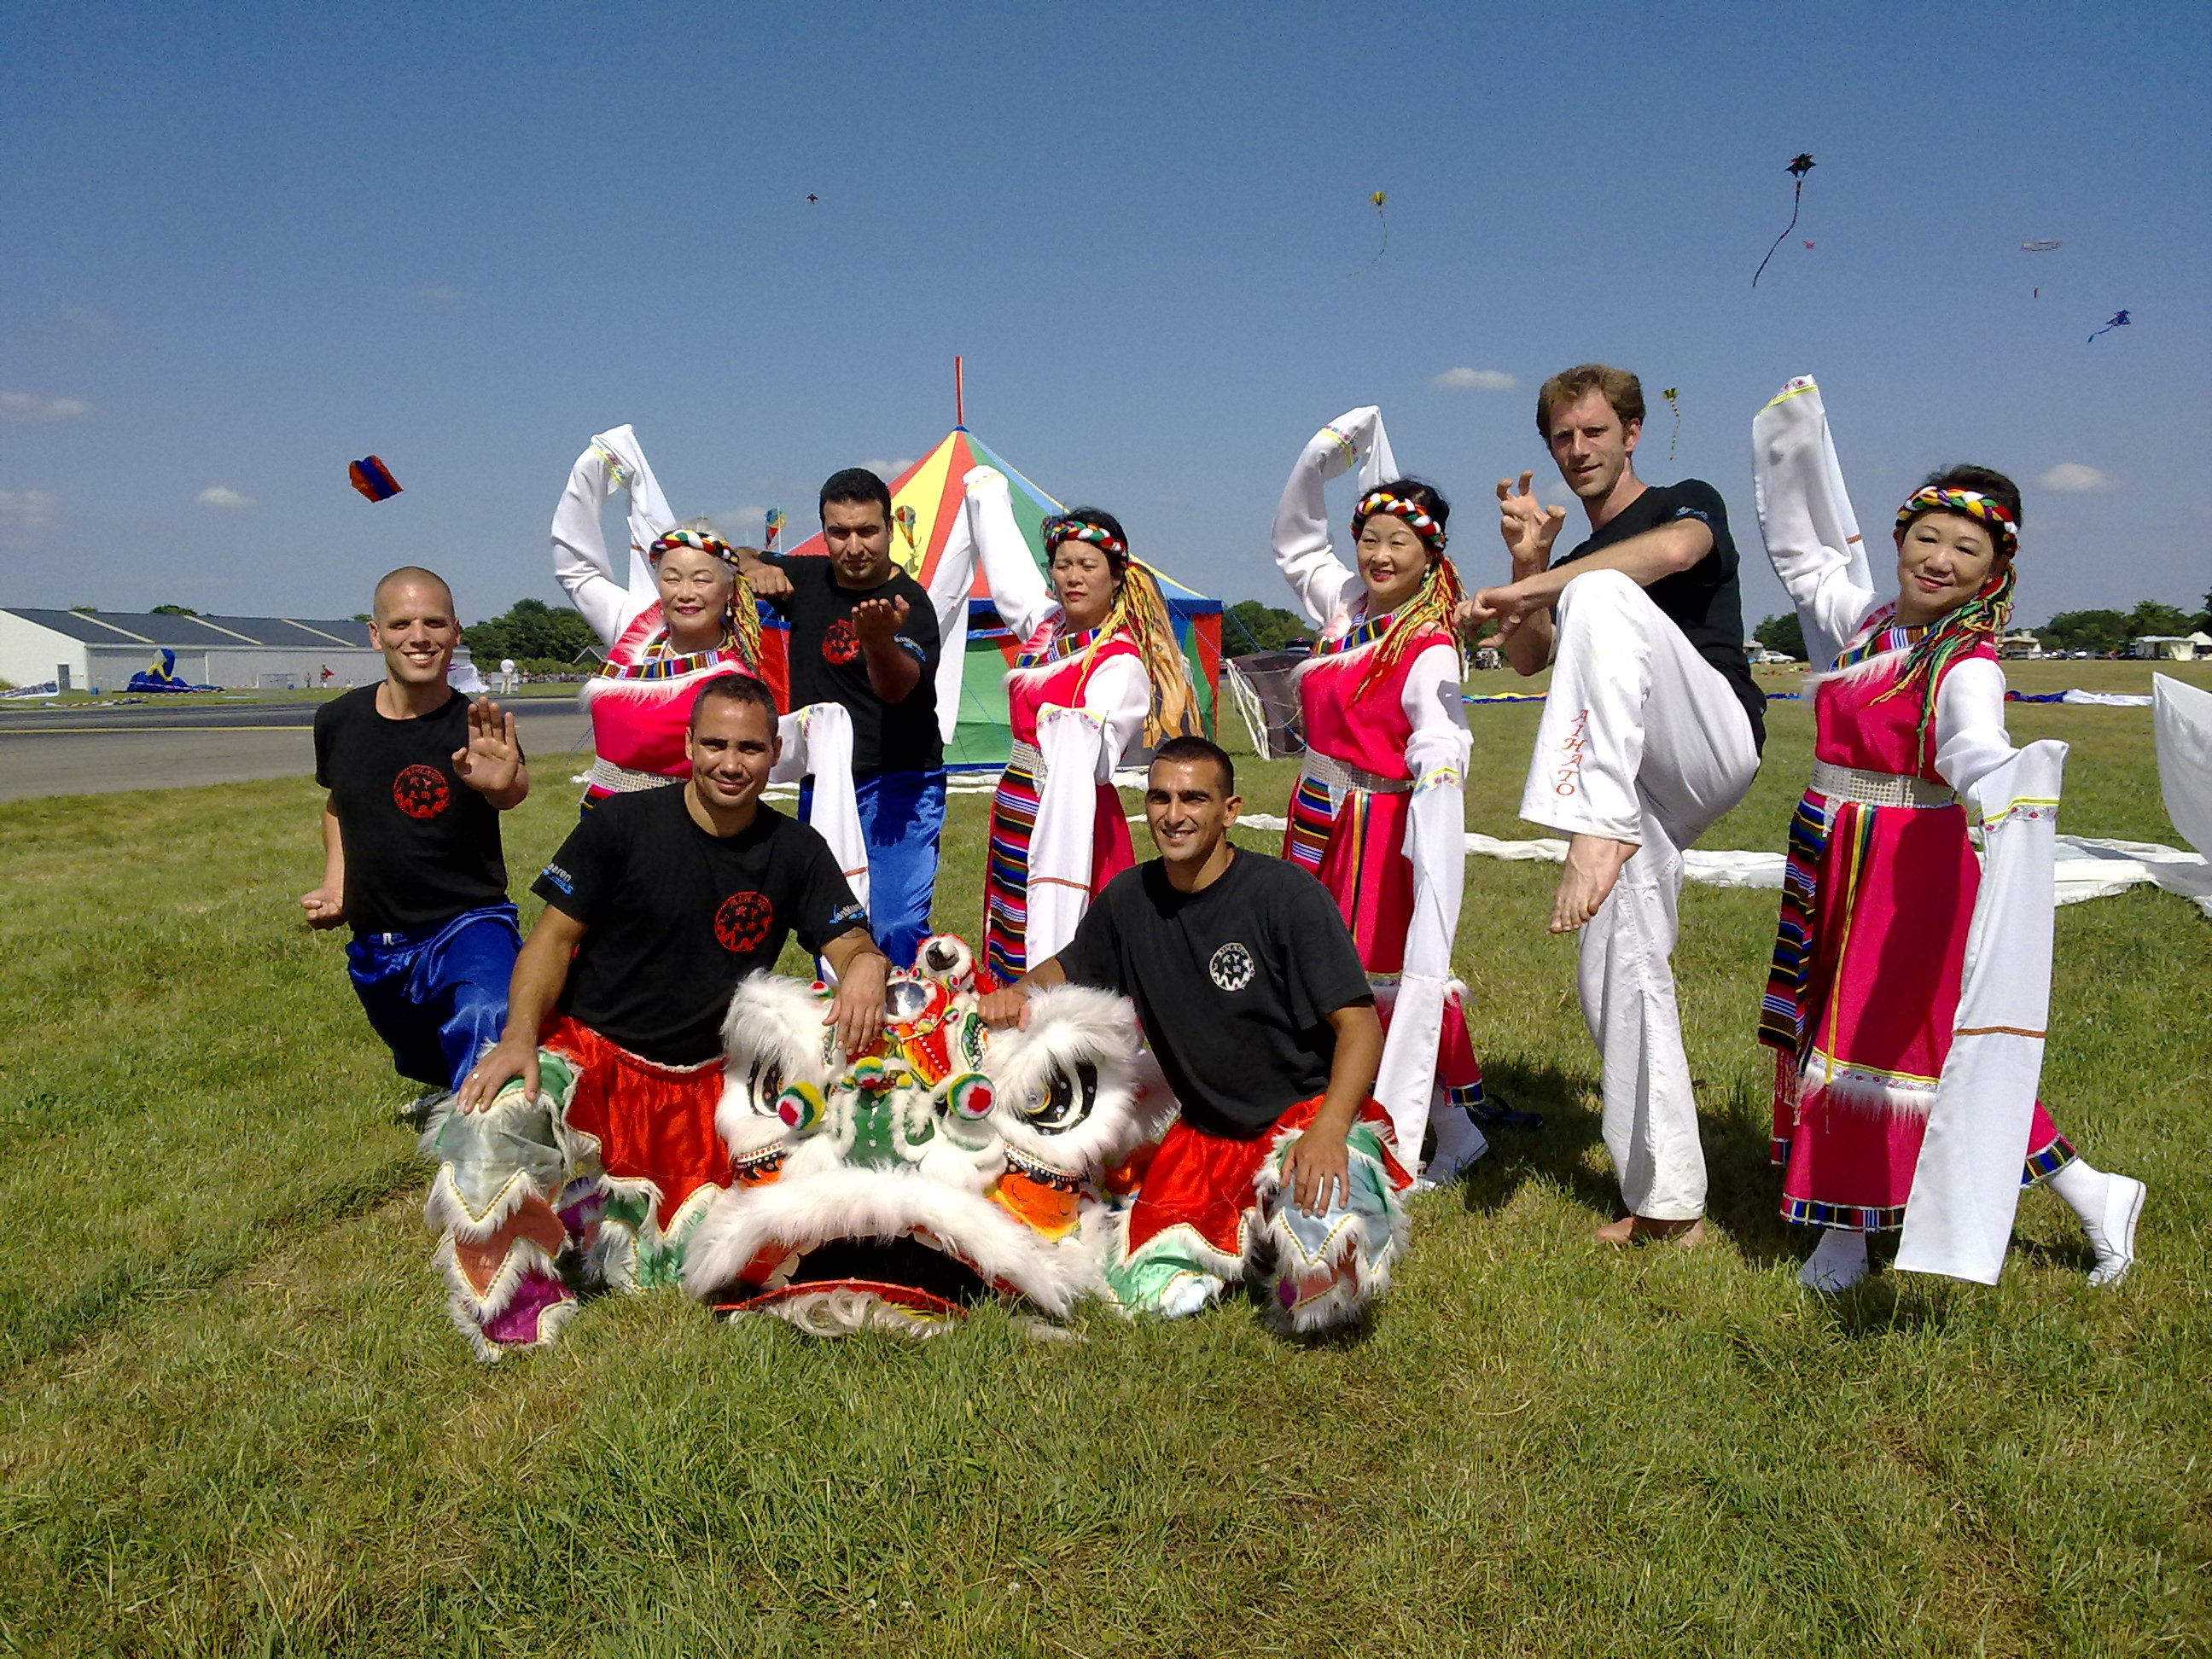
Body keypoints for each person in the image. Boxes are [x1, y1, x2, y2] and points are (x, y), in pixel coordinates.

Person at [1752, 378, 2145, 1290]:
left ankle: (1845, 1237)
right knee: (1897, 1043)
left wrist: (2002, 780)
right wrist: (1789, 439)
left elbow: (1972, 745)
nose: (1939, 560)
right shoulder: (1865, 623)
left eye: (1966, 549)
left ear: (1994, 570)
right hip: (1834, 847)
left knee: (1872, 1042)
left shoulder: (1966, 663)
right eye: (1926, 537)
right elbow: (1805, 559)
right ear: (1898, 539)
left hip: (1908, 868)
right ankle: (2093, 1191)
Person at [432, 675, 888, 1359]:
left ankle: (589, 1219)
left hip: (705, 1088)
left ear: (775, 755)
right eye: (715, 744)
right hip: (592, 1057)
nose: (731, 763)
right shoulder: (619, 825)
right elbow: (550, 941)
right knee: (492, 1121)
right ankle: (518, 1309)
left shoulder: (796, 850)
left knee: (682, 1266)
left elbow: (848, 941)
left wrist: (866, 965)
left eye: (749, 748)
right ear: (688, 745)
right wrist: (519, 1039)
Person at [1460, 364, 1763, 1245]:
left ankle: (1593, 826)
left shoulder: (1682, 503)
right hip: (1636, 786)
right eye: (1563, 437)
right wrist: (1529, 563)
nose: (1578, 449)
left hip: (1708, 741)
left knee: (1597, 588)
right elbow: (1528, 659)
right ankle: (1668, 1203)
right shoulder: (1570, 568)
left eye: (1594, 431)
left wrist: (1540, 586)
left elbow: (1674, 555)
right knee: (1618, 965)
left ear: (1632, 433)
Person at [980, 737, 1411, 1333]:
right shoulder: (1130, 899)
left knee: (1323, 1264)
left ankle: (1305, 1221)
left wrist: (1330, 1130)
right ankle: (1248, 1236)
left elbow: (1359, 1025)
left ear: (1230, 810)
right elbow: (1068, 968)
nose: (1173, 815)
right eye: (1160, 798)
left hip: (1304, 1122)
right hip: (1206, 1140)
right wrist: (1017, 993)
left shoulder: (1287, 896)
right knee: (1143, 1299)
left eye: (1194, 799)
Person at [1270, 406, 1505, 1183]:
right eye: (1369, 538)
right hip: (1316, 814)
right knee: (1310, 966)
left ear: (1430, 554)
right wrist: (1317, 460)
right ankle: (1336, 1108)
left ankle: (1449, 1128)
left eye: (1399, 542)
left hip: (1376, 829)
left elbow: (1440, 734)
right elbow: (1296, 543)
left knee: (1374, 976)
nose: (1379, 554)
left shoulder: (1428, 641)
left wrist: (1439, 780)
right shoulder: (1344, 611)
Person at [959, 464, 1199, 985]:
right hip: (1018, 804)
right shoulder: (1046, 629)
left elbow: (1098, 755)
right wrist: (986, 494)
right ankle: (1012, 1004)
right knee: (1013, 922)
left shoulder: (1119, 661)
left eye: (1088, 565)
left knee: (1071, 936)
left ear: (1115, 577)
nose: (1073, 577)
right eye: (1063, 565)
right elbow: (1009, 577)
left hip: (1076, 815)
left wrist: (1066, 729)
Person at [303, 567, 528, 1113]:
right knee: (421, 1051)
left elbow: (511, 789)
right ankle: (454, 1088)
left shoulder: (475, 725)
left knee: (487, 1014)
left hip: (467, 922)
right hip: (379, 936)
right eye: (401, 624)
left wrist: (501, 783)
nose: (419, 637)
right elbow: (338, 804)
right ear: (376, 634)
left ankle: (490, 1139)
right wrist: (336, 883)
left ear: (456, 630)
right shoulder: (338, 720)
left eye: (434, 623)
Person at [739, 469, 944, 968]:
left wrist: (878, 642)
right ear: (825, 532)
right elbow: (729, 554)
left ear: (890, 529)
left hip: (901, 785)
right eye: (839, 532)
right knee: (834, 920)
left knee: (896, 925)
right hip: (826, 783)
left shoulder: (910, 605)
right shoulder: (809, 578)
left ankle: (904, 1012)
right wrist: (752, 565)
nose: (854, 547)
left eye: (867, 531)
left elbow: (897, 688)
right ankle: (844, 1013)